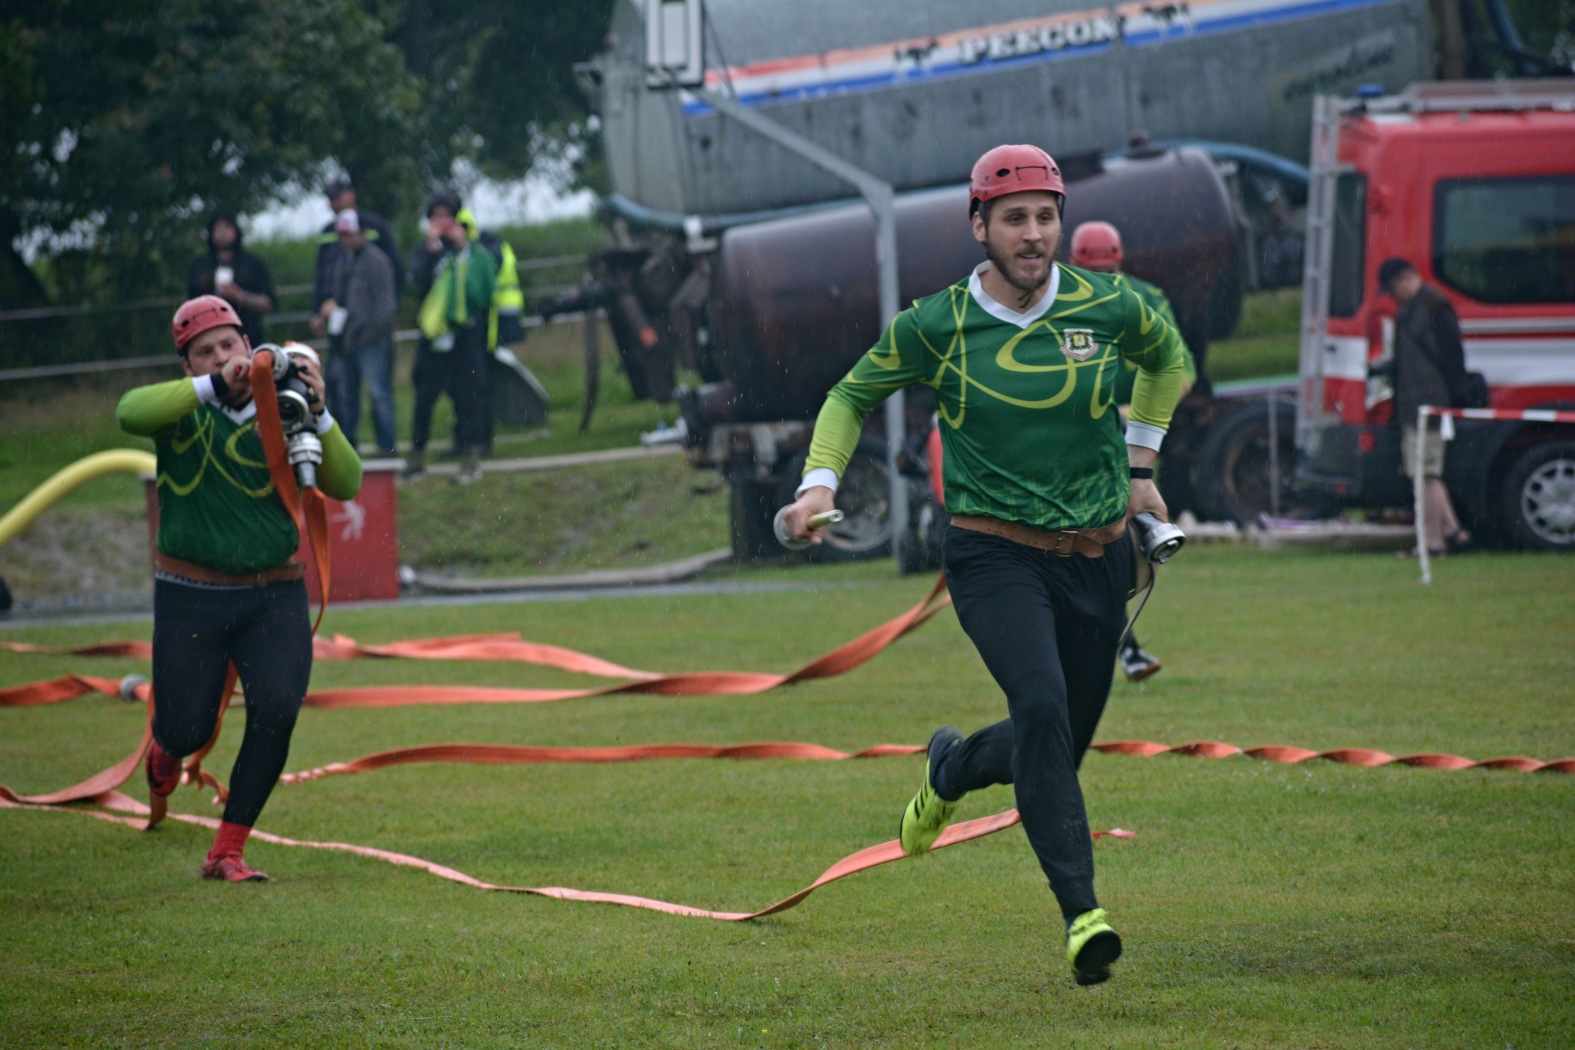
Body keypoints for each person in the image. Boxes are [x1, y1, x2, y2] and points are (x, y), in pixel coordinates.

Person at [781, 144, 1187, 986]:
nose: (1031, 234)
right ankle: (1083, 917)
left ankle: (952, 768)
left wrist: (1140, 465)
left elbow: (1168, 362)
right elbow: (850, 396)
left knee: (1055, 745)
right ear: (978, 227)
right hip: (992, 554)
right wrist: (817, 484)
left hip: (1097, 559)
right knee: (1039, 709)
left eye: (1044, 217)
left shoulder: (1108, 304)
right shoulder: (935, 324)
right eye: (1012, 219)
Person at [117, 295, 363, 882]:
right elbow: (128, 411)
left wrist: (321, 411)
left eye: (229, 344)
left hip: (273, 594)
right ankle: (167, 746)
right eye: (204, 352)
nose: (222, 356)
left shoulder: (283, 404)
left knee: (277, 711)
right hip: (191, 594)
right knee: (187, 727)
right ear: (187, 365)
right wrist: (211, 385)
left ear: (249, 345)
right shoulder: (182, 407)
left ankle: (227, 850)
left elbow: (347, 481)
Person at [1070, 220, 1198, 683]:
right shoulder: (1058, 303)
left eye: (1109, 273)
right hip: (1075, 445)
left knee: (1116, 550)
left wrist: (1134, 417)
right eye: (1094, 274)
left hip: (1130, 446)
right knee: (1091, 551)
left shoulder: (1146, 300)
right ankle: (1123, 647)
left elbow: (1180, 370)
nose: (1103, 282)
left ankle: (1118, 644)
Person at [1375, 258, 1473, 556]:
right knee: (1424, 473)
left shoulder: (1433, 306)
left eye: (1392, 289)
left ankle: (1433, 542)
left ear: (1404, 279)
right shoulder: (1414, 308)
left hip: (1430, 403)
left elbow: (1452, 356)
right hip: (1415, 404)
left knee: (1426, 474)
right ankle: (1454, 531)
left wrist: (1456, 397)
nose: (1392, 297)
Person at [404, 191, 498, 485]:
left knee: (469, 398)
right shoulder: (425, 251)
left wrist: (463, 248)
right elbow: (416, 281)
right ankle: (415, 459)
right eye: (436, 217)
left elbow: (482, 291)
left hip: (465, 337)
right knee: (424, 399)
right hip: (434, 337)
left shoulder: (475, 252)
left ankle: (470, 460)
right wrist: (432, 248)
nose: (442, 223)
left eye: (447, 217)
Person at [317, 208, 399, 455]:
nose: (345, 240)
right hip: (345, 341)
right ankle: (348, 445)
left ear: (363, 232)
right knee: (346, 396)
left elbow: (386, 306)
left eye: (350, 234)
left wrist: (368, 334)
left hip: (371, 342)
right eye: (342, 235)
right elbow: (338, 296)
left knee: (378, 393)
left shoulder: (377, 261)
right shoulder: (341, 261)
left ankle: (387, 445)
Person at [455, 205, 526, 455]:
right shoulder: (488, 246)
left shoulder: (482, 251)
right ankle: (475, 440)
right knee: (477, 385)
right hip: (491, 325)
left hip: (491, 325)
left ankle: (480, 441)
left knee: (481, 386)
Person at [311, 175, 404, 323]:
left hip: (371, 314)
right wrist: (318, 309)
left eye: (337, 197)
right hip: (338, 315)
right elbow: (321, 275)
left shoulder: (376, 225)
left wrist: (387, 309)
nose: (334, 202)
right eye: (331, 199)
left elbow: (394, 269)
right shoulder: (327, 232)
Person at [185, 212, 276, 347]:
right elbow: (191, 303)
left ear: (236, 230)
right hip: (209, 337)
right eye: (218, 229)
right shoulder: (199, 266)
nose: (223, 233)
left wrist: (238, 295)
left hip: (248, 335)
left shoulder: (253, 264)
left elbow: (268, 303)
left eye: (227, 227)